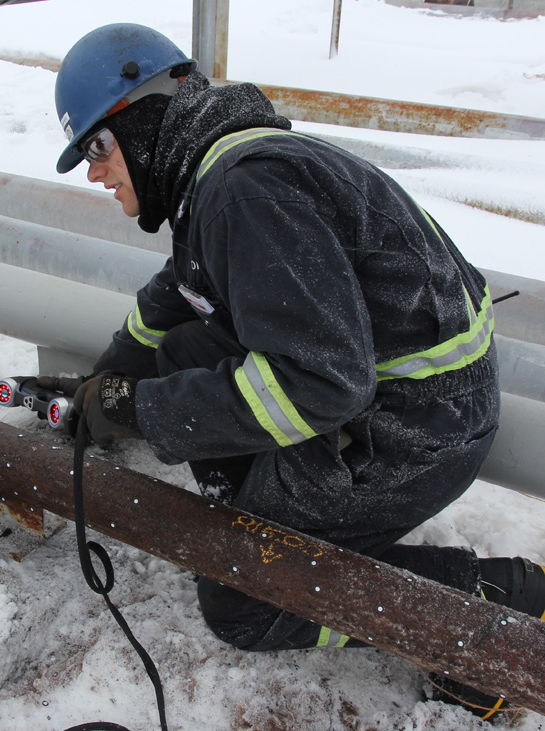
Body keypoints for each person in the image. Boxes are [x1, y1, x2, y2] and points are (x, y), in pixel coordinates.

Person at [39, 22, 544, 720]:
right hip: (393, 398)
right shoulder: (218, 176)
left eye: (96, 146)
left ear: (149, 118)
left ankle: (490, 601)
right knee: (180, 352)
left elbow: (321, 383)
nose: (94, 170)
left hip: (414, 427)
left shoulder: (244, 193)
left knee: (242, 599)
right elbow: (166, 309)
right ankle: (265, 521)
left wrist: (139, 411)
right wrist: (96, 394)